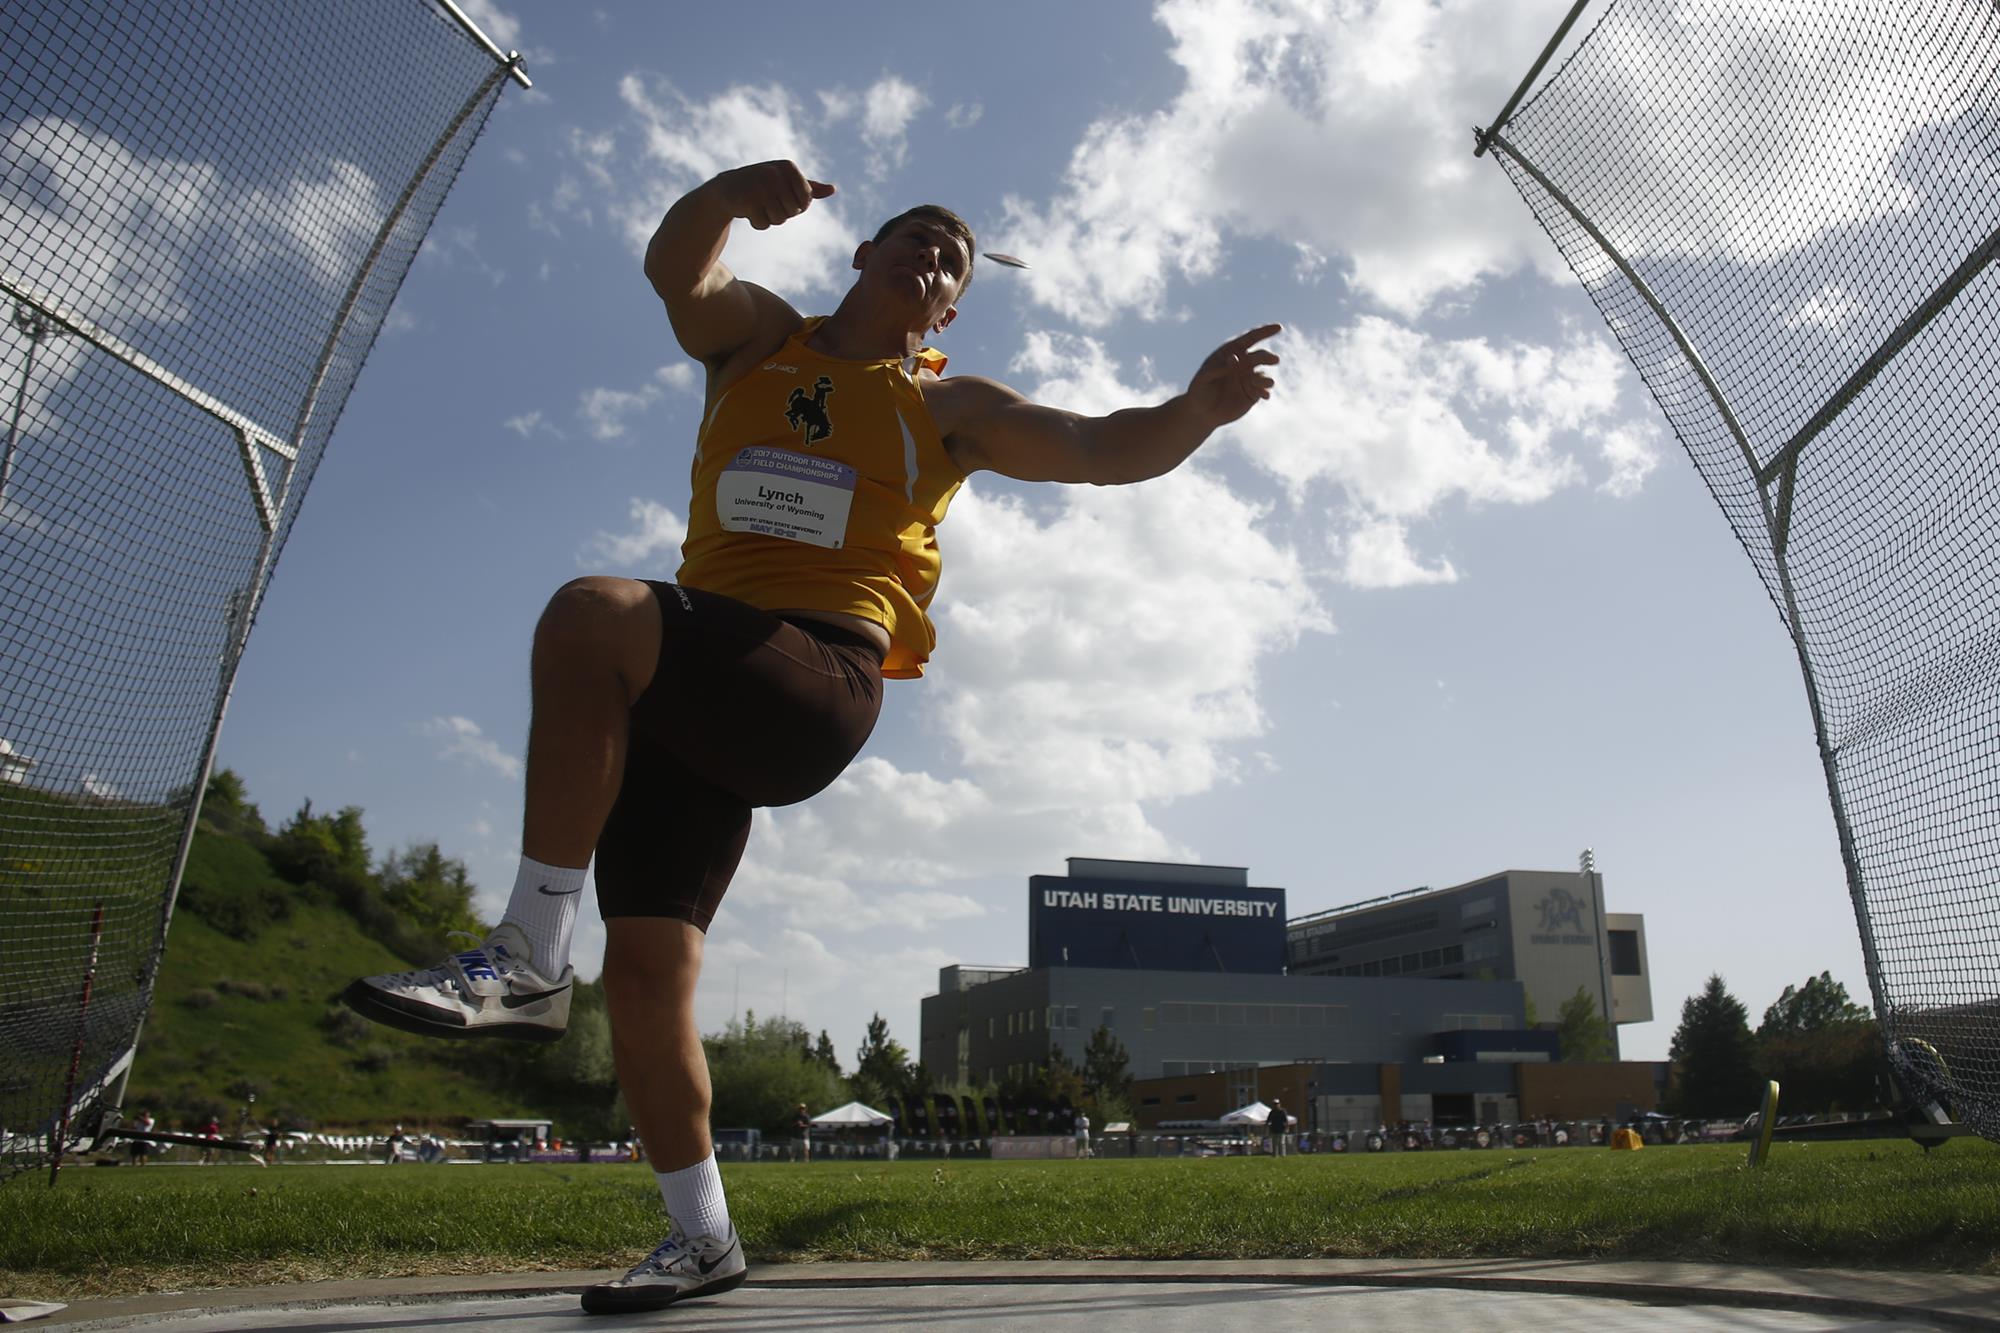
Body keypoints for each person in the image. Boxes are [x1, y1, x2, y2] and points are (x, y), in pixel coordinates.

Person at [340, 158, 1281, 1316]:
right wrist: (725, 197)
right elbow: (676, 271)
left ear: (948, 309)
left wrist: (1194, 411)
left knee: (590, 611)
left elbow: (1098, 446)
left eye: (951, 260)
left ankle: (530, 953)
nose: (931, 256)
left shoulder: (946, 408)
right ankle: (702, 1238)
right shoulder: (757, 342)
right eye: (915, 238)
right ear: (861, 255)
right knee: (645, 974)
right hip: (696, 684)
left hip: (815, 678)